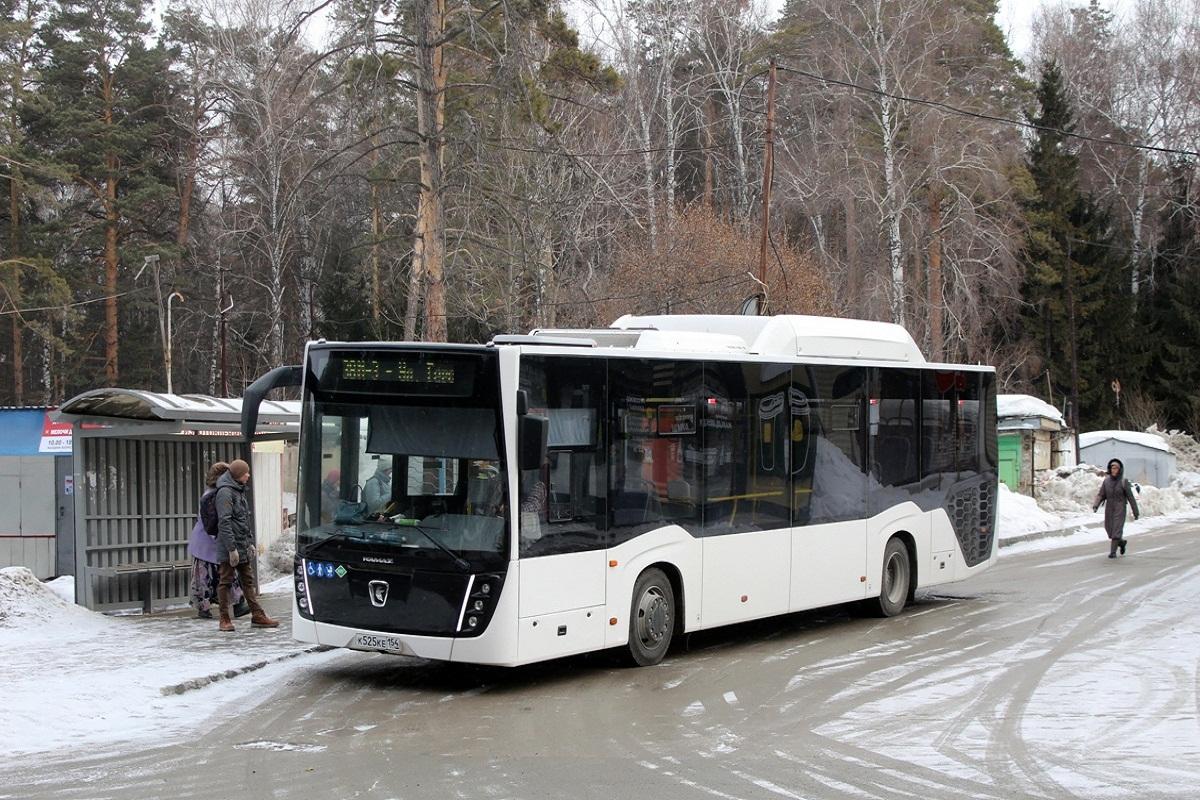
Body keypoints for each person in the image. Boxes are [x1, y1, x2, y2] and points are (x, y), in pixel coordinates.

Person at [214, 459, 279, 632]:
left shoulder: (238, 490)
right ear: (237, 475)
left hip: (241, 545)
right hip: (230, 547)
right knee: (225, 581)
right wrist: (231, 549)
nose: (248, 475)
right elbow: (224, 522)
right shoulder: (225, 493)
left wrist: (249, 542)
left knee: (248, 581)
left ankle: (257, 615)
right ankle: (224, 618)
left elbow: (243, 520)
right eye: (245, 473)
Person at [187, 462, 247, 619]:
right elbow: (223, 520)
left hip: (204, 542)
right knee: (225, 572)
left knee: (204, 577)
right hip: (213, 541)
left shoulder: (210, 493)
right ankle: (237, 604)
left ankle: (204, 608)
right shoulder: (220, 494)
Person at [1092, 458, 1140, 558]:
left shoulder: (1123, 482)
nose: (1114, 470)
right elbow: (1101, 494)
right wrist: (1096, 504)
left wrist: (1135, 512)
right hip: (1109, 508)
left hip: (1120, 508)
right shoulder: (1106, 481)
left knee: (1116, 530)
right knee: (1109, 530)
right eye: (1112, 468)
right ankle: (1121, 543)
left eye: (1116, 468)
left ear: (1120, 470)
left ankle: (1113, 552)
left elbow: (1131, 498)